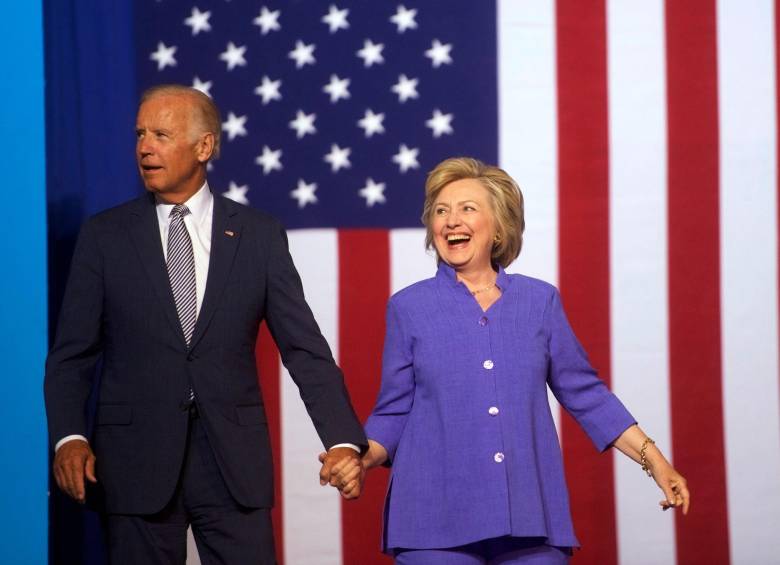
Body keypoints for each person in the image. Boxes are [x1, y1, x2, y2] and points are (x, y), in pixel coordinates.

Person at [44, 84, 366, 565]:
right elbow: (73, 354)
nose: (144, 147)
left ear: (204, 146)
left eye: (160, 134)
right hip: (134, 461)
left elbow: (304, 348)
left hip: (232, 463)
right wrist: (69, 436)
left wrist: (342, 441)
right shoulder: (104, 236)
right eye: (139, 134)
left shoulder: (258, 234)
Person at [327, 157, 690, 564]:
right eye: (441, 211)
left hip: (529, 518)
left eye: (467, 208)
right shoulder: (408, 307)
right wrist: (359, 458)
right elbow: (393, 411)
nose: (451, 221)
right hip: (431, 522)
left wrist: (656, 462)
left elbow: (587, 395)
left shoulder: (540, 302)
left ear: (498, 225)